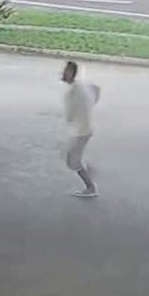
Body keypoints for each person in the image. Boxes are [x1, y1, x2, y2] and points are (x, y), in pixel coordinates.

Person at [61, 61, 99, 198]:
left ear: (71, 73)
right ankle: (89, 172)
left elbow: (69, 118)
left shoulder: (71, 93)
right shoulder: (82, 84)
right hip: (86, 129)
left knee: (72, 161)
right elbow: (96, 89)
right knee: (73, 157)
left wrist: (79, 114)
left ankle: (91, 187)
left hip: (81, 132)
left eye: (66, 71)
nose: (62, 73)